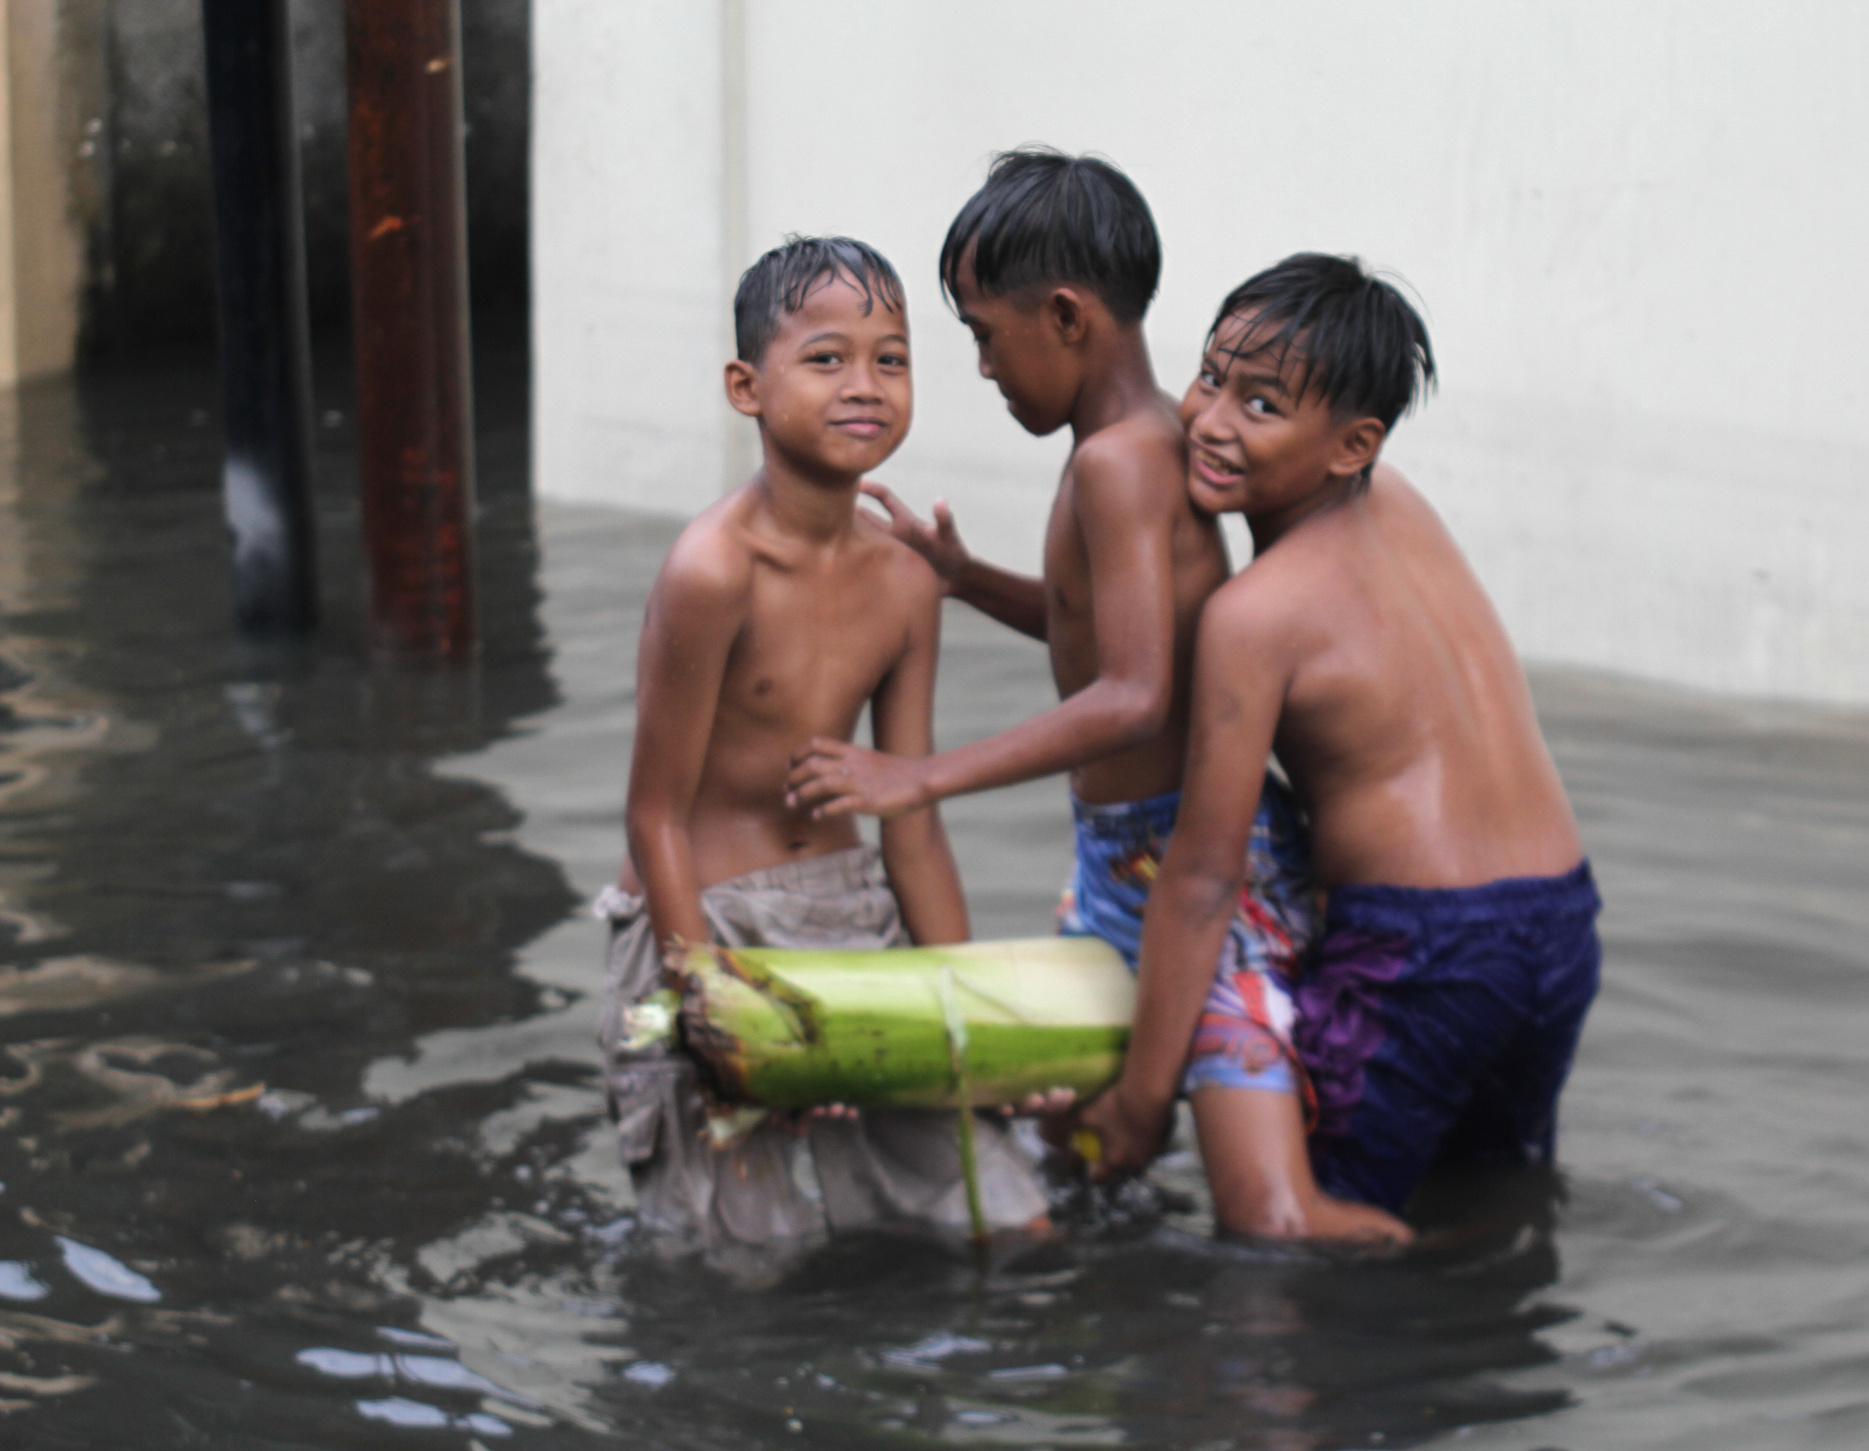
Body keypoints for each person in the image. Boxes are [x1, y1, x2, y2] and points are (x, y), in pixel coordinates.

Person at [784, 150, 1322, 1149]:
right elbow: (1096, 628)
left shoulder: (1117, 463)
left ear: (1067, 317)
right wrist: (964, 574)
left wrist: (919, 774)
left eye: (985, 335)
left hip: (1186, 856)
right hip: (1123, 852)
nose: (983, 367)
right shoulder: (1136, 439)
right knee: (1077, 1147)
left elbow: (1133, 694)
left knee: (1247, 1187)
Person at [1072, 254, 1602, 1242]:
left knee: (1302, 1237)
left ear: (1351, 443)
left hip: (1422, 949)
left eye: (1260, 404)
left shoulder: (1255, 613)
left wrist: (1142, 1101)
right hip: (1560, 922)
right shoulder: (1397, 501)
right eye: (1209, 376)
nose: (1209, 420)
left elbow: (1202, 873)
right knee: (1486, 1204)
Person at [595, 236, 1046, 1284]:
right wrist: (713, 1014)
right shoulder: (713, 569)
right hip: (703, 925)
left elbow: (912, 815)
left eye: (891, 360)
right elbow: (653, 815)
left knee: (1003, 1217)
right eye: (827, 358)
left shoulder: (905, 577)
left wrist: (968, 1012)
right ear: (745, 387)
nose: (864, 385)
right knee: (744, 1266)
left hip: (849, 914)